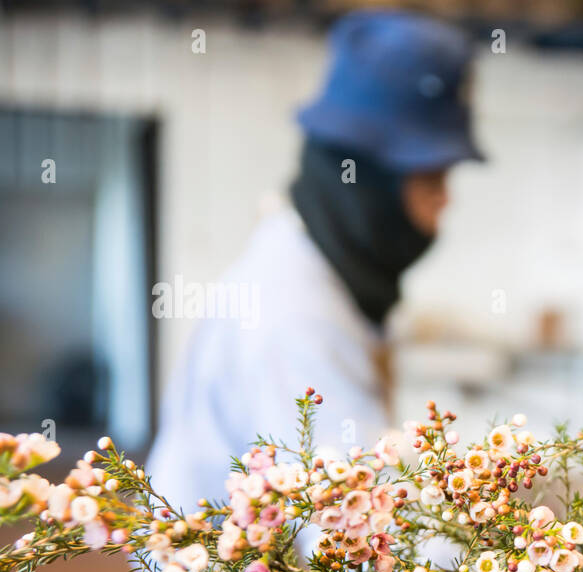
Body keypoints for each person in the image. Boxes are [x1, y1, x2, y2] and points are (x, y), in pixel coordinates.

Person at [147, 10, 484, 513]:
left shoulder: (318, 270)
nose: (446, 201)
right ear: (370, 184)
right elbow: (358, 535)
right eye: (432, 179)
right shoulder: (296, 317)